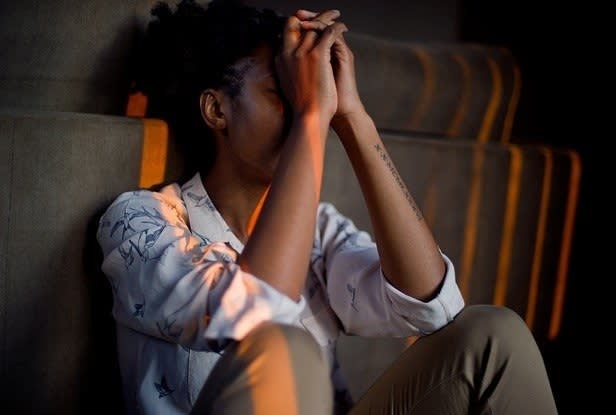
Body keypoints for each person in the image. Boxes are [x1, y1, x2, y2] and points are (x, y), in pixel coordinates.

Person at [96, 0, 558, 414]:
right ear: (217, 110)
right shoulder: (141, 222)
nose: (303, 107)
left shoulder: (320, 230)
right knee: (285, 347)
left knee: (494, 334)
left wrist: (352, 117)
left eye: (311, 94)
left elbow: (434, 308)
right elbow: (262, 317)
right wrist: (314, 116)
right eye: (285, 92)